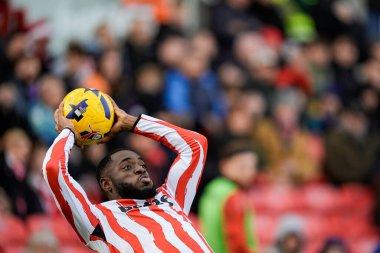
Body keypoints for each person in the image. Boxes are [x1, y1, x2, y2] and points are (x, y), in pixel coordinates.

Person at [42, 98, 212, 252]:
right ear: (106, 184)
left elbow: (196, 144)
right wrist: (68, 132)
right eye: (127, 167)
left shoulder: (171, 198)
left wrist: (130, 122)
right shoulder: (97, 220)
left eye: (141, 164)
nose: (140, 169)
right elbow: (53, 169)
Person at [199, 140, 259, 253]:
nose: (250, 172)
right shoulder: (234, 196)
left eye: (253, 166)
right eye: (242, 166)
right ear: (224, 165)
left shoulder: (211, 190)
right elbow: (237, 240)